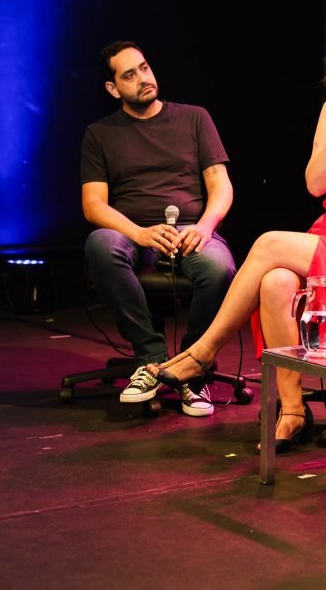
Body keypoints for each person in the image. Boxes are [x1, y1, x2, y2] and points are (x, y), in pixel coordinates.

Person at [126, 12, 326, 451]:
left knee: (269, 243)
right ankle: (292, 410)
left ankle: (203, 352)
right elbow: (316, 185)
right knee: (274, 282)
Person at [81, 41, 237, 417]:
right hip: (134, 231)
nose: (143, 79)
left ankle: (191, 368)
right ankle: (150, 360)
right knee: (100, 244)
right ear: (113, 89)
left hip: (190, 228)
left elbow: (221, 185)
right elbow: (93, 205)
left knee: (220, 268)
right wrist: (139, 233)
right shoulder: (99, 134)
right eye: (129, 75)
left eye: (145, 68)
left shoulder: (194, 118)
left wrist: (204, 226)